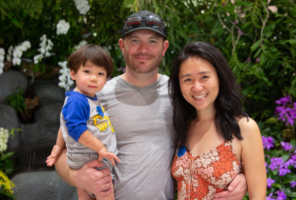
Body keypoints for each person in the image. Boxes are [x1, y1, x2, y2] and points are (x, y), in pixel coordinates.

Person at [54, 10, 248, 200]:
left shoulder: (181, 94)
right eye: (135, 41)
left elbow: (213, 136)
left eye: (152, 41)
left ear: (164, 48)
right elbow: (64, 150)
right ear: (122, 45)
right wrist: (76, 176)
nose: (143, 49)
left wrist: (240, 176)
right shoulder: (97, 95)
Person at [169, 41, 267, 199]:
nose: (197, 87)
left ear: (219, 78)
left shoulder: (243, 128)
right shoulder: (182, 127)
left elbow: (258, 197)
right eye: (187, 80)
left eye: (204, 77)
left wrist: (244, 179)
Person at [46, 44, 120, 200]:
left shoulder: (86, 98)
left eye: (100, 73)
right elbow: (75, 129)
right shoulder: (77, 100)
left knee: (85, 193)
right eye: (87, 71)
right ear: (73, 74)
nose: (94, 78)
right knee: (105, 190)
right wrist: (100, 148)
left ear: (106, 79)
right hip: (91, 156)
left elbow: (65, 124)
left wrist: (58, 146)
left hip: (86, 155)